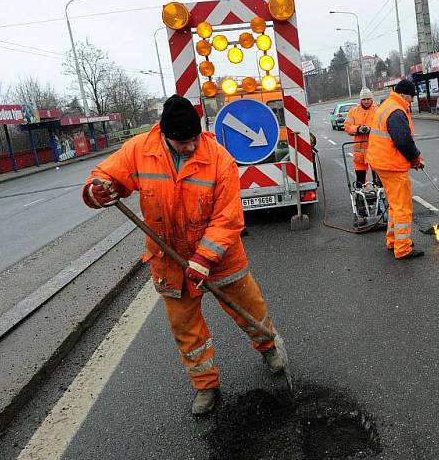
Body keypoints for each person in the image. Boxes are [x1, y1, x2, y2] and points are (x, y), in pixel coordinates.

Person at [82, 95, 286, 416]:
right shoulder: (139, 150)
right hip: (170, 259)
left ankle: (269, 348)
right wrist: (97, 190)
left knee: (250, 308)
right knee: (186, 329)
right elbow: (104, 178)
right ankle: (206, 386)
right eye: (182, 143)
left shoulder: (219, 159)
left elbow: (228, 218)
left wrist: (204, 258)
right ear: (165, 135)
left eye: (193, 140)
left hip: (220, 257)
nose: (190, 147)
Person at [366, 80, 425, 260]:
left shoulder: (387, 106)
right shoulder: (397, 111)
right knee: (403, 207)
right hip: (392, 166)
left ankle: (393, 240)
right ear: (405, 94)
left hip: (382, 163)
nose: (413, 100)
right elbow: (403, 141)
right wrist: (415, 159)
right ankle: (403, 248)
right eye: (412, 96)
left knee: (394, 204)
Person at [343, 87, 379, 187]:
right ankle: (360, 199)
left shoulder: (377, 111)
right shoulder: (353, 111)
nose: (366, 101)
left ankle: (379, 199)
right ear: (360, 100)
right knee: (360, 180)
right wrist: (358, 129)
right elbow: (347, 127)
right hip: (360, 154)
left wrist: (370, 130)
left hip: (375, 151)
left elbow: (383, 128)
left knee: (378, 180)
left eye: (368, 99)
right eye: (364, 99)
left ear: (372, 99)